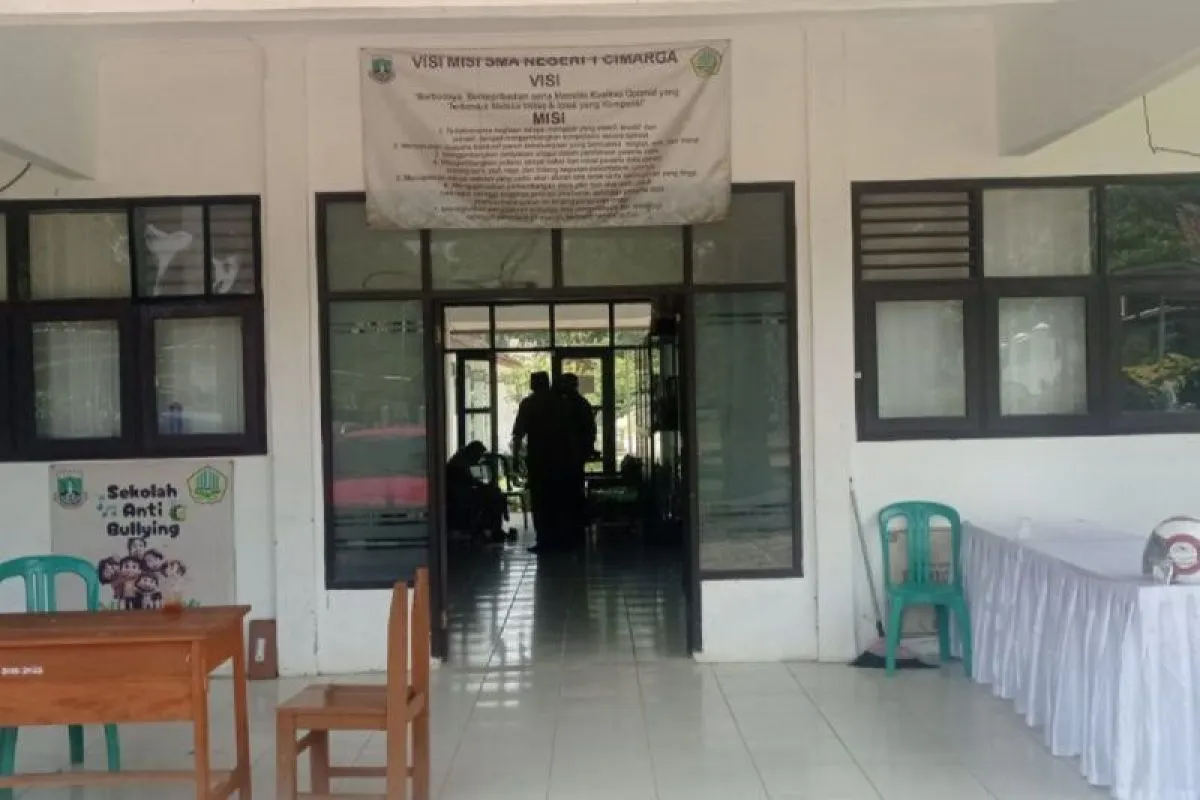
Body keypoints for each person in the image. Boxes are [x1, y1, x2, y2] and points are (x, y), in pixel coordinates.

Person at [511, 372, 563, 552]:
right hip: (559, 459)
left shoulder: (528, 404)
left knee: (540, 501)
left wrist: (516, 458)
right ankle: (559, 539)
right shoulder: (559, 403)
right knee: (557, 500)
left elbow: (518, 434)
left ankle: (544, 539)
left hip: (538, 459)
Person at [554, 373, 596, 551]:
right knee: (573, 492)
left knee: (568, 493)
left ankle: (571, 529)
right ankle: (575, 529)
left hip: (569, 456)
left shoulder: (568, 405)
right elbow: (590, 431)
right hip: (573, 456)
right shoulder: (580, 404)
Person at [445, 440, 507, 542]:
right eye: (478, 456)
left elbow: (469, 481)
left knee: (494, 496)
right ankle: (490, 529)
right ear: (473, 453)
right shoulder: (459, 464)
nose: (478, 459)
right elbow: (467, 481)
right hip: (458, 496)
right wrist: (485, 487)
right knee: (494, 498)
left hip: (461, 493)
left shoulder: (461, 461)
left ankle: (492, 529)